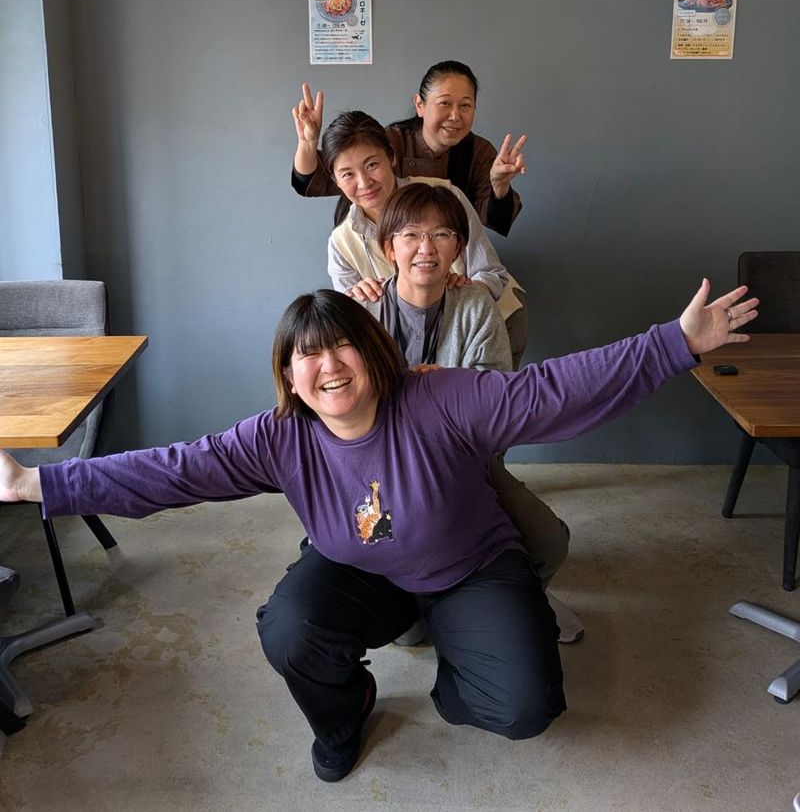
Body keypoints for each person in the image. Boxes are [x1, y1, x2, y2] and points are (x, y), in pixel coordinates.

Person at [0, 281, 758, 784]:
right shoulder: (278, 436)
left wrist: (675, 342)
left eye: (342, 345)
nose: (327, 365)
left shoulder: (440, 397)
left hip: (471, 566)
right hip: (359, 571)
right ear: (288, 375)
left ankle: (459, 665)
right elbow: (172, 470)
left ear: (375, 351)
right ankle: (346, 712)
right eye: (307, 354)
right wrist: (38, 483)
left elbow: (552, 391)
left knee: (525, 708)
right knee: (289, 629)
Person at [363, 182, 570, 618]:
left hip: (465, 462)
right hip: (383, 470)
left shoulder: (475, 304)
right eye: (411, 235)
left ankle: (506, 602)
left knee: (549, 541)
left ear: (458, 247)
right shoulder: (366, 311)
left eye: (441, 234)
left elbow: (497, 399)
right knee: (401, 608)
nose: (426, 248)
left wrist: (447, 384)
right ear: (389, 248)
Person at [311, 108, 528, 367]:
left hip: (485, 328)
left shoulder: (444, 196)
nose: (364, 182)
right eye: (347, 174)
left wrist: (466, 291)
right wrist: (356, 301)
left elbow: (492, 273)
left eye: (372, 165)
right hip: (415, 356)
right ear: (335, 179)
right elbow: (356, 333)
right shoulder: (341, 244)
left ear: (391, 157)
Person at [291, 61, 527, 236]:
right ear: (420, 105)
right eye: (445, 103)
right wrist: (308, 143)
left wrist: (500, 186)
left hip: (449, 255)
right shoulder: (391, 141)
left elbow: (497, 221)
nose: (455, 116)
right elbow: (313, 181)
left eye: (465, 106)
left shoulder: (479, 152)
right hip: (378, 247)